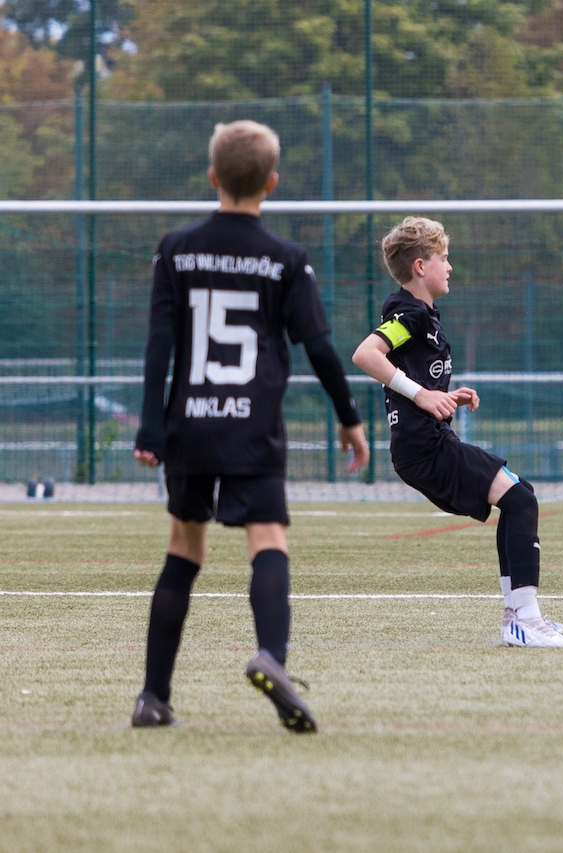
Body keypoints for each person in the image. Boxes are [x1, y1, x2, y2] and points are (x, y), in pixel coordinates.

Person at [131, 120, 370, 732]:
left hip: (189, 424)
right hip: (253, 425)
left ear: (212, 177)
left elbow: (160, 344)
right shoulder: (285, 259)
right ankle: (271, 657)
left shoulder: (175, 248)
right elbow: (319, 347)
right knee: (267, 539)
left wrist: (151, 428)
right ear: (271, 182)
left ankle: (152, 698)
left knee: (184, 547)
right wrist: (349, 418)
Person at [351, 216, 563, 649]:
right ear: (421, 266)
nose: (450, 266)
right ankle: (525, 619)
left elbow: (409, 374)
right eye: (444, 257)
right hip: (425, 448)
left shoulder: (421, 316)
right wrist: (422, 395)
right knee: (520, 499)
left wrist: (443, 396)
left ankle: (518, 615)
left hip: (428, 444)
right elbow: (366, 354)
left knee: (519, 496)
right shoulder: (409, 314)